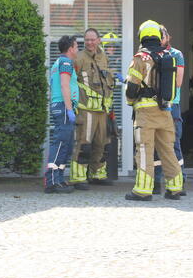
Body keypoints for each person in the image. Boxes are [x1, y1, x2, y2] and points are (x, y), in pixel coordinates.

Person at [125, 20, 184, 201]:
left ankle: (142, 191)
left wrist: (130, 102)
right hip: (166, 111)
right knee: (168, 150)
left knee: (144, 150)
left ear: (141, 36)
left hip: (145, 113)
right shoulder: (168, 56)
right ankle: (175, 188)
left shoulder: (140, 58)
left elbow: (132, 88)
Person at [70, 28, 116, 189]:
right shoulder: (78, 58)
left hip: (102, 111)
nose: (89, 42)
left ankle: (97, 174)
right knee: (84, 144)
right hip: (85, 109)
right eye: (87, 40)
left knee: (102, 144)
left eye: (92, 39)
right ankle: (78, 178)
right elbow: (70, 82)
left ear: (98, 40)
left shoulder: (104, 57)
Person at [153, 25, 186, 195]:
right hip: (153, 105)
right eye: (157, 35)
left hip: (172, 104)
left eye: (162, 34)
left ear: (168, 36)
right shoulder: (149, 54)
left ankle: (179, 182)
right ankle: (156, 181)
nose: (160, 37)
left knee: (174, 144)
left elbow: (178, 82)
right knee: (154, 145)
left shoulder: (176, 54)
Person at [44, 35, 79, 194]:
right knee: (60, 143)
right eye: (76, 46)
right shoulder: (65, 62)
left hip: (63, 107)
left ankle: (59, 179)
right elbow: (65, 85)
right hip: (64, 107)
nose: (78, 49)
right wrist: (69, 108)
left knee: (66, 144)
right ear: (70, 48)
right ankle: (51, 181)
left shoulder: (61, 62)